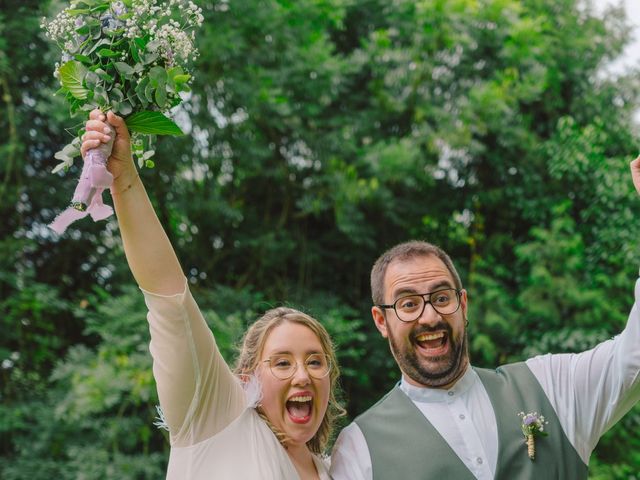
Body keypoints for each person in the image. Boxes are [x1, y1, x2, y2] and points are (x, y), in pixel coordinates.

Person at [330, 156, 640, 479]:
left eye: (441, 298)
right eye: (408, 304)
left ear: (463, 305)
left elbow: (634, 359)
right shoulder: (358, 449)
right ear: (381, 321)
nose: (430, 316)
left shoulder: (549, 385)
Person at [81, 109, 344, 480]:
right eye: (282, 363)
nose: (303, 375)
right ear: (248, 378)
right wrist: (124, 178)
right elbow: (170, 301)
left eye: (316, 362)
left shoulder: (336, 471)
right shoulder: (219, 419)